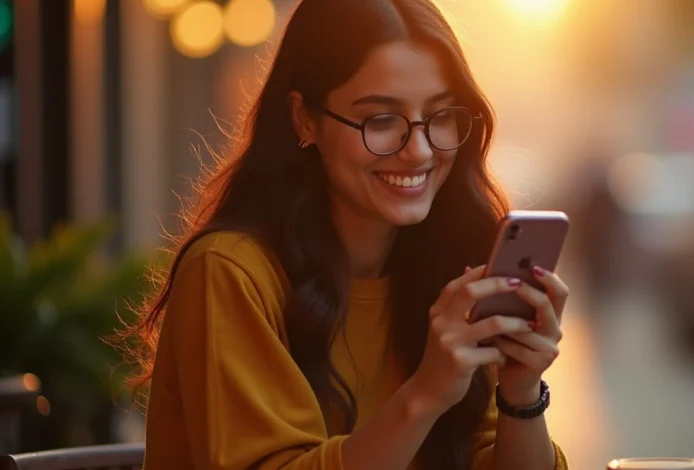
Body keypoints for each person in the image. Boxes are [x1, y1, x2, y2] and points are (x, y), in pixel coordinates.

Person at [123, 0, 570, 468]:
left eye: (440, 116)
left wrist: (520, 390)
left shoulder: (447, 270)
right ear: (304, 119)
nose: (418, 150)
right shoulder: (229, 273)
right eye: (380, 120)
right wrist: (425, 394)